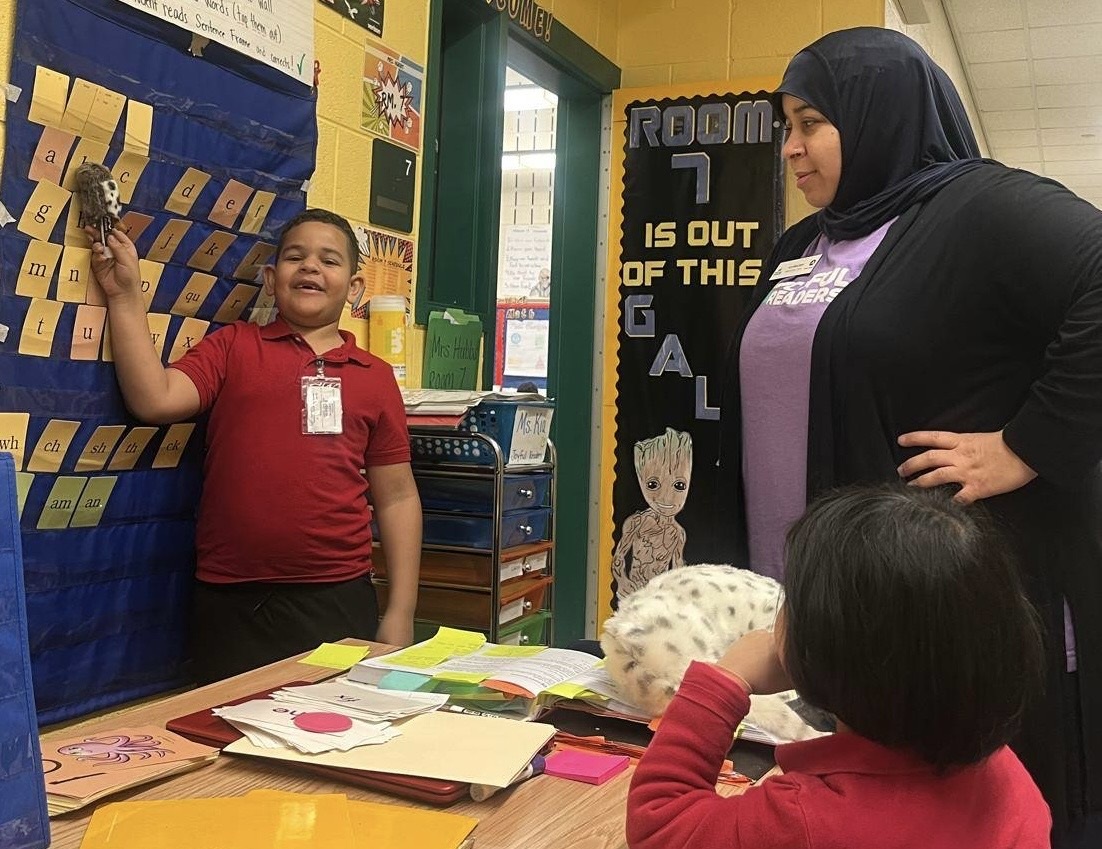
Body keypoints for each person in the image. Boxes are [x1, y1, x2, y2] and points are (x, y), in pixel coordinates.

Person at [716, 28, 1102, 846]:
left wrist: (1027, 444)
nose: (790, 148)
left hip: (942, 621)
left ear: (878, 114)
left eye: (811, 121)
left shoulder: (980, 207)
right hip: (823, 617)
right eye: (786, 125)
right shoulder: (802, 246)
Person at [87, 208, 421, 683]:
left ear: (355, 289)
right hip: (230, 599)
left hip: (334, 597)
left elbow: (398, 496)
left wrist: (401, 610)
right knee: (223, 734)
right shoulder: (233, 347)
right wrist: (123, 295)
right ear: (270, 279)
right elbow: (154, 399)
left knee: (326, 732)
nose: (310, 267)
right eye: (294, 257)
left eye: (329, 260)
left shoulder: (375, 377)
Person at [628, 484, 1050, 849]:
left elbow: (660, 823)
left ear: (832, 651)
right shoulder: (1004, 774)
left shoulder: (805, 821)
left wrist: (723, 682)